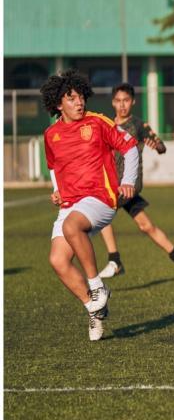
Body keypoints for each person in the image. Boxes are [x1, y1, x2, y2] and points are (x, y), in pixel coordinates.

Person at [41, 69, 140, 341]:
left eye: (81, 96)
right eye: (71, 98)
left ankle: (97, 287)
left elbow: (130, 147)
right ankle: (94, 310)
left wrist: (128, 180)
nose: (79, 102)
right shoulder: (51, 135)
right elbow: (53, 166)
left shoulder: (97, 122)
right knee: (58, 260)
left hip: (101, 197)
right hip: (70, 203)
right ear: (58, 104)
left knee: (73, 227)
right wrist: (57, 190)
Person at [97, 83, 174, 286]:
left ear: (133, 102)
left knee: (101, 213)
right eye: (118, 101)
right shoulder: (106, 125)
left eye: (126, 101)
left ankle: (115, 260)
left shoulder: (138, 125)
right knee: (146, 226)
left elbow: (161, 146)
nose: (122, 105)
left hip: (129, 185)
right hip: (114, 184)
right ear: (113, 102)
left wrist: (155, 145)